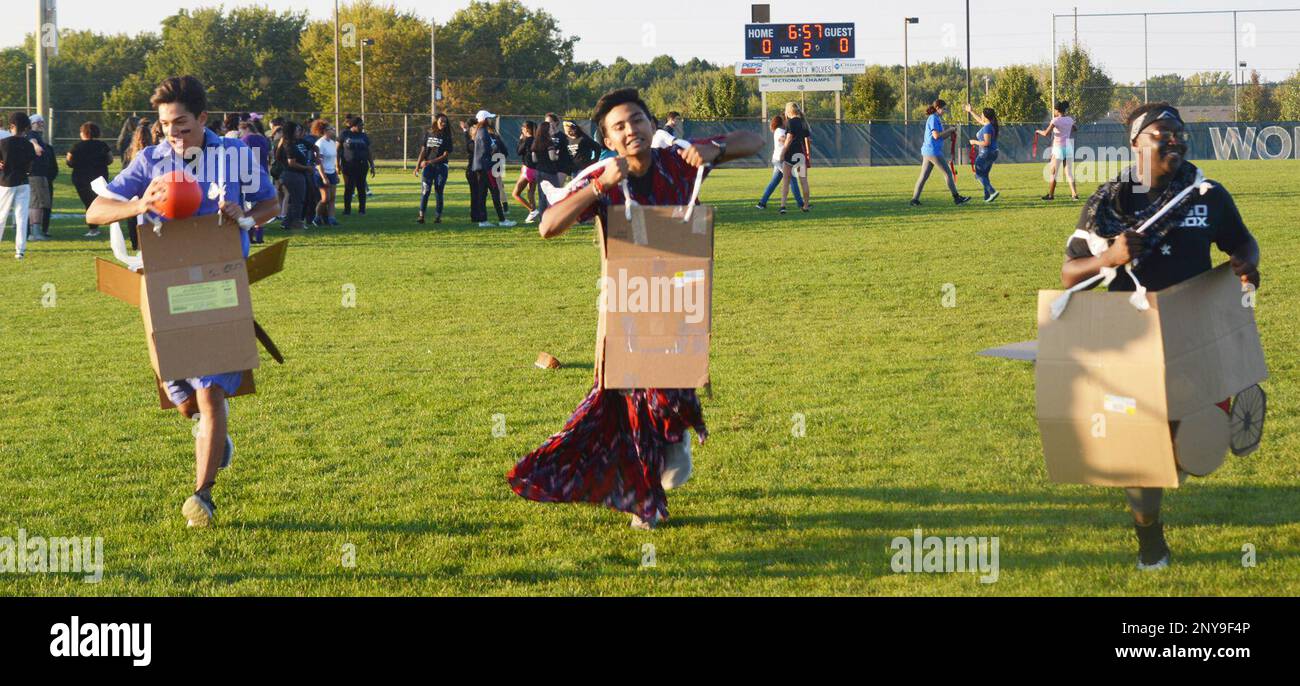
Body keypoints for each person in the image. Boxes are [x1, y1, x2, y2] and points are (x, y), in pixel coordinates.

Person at [509, 88, 762, 530]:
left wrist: (714, 148)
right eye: (620, 127)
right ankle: (645, 500)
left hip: (679, 304)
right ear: (608, 139)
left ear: (652, 123)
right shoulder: (600, 173)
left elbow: (755, 141)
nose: (632, 131)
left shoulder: (679, 157)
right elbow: (548, 226)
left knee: (666, 396)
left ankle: (673, 436)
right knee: (623, 410)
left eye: (638, 120)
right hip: (627, 306)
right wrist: (599, 186)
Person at [1061, 103, 1260, 570]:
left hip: (1195, 336)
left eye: (1179, 132)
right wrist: (1108, 257)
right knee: (1140, 453)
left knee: (1181, 454)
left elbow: (1242, 242)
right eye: (1161, 134)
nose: (1175, 140)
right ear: (1135, 142)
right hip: (1129, 340)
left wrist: (1246, 264)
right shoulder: (1110, 201)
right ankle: (1150, 540)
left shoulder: (1206, 193)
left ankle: (1184, 455)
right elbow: (1070, 274)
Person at [85, 76, 279, 528]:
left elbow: (270, 203)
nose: (173, 134)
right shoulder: (149, 160)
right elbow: (96, 212)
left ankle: (202, 495)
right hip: (162, 288)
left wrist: (245, 216)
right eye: (165, 125)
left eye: (182, 125)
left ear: (204, 119)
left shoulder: (235, 156)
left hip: (218, 281)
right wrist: (138, 205)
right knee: (184, 398)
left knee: (210, 390)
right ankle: (213, 433)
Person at [910, 99, 972, 207]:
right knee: (948, 174)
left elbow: (941, 137)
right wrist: (950, 130)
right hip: (933, 152)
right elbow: (936, 136)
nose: (945, 111)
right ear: (937, 108)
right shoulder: (933, 118)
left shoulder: (936, 118)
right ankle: (957, 198)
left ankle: (914, 200)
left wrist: (950, 132)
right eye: (944, 109)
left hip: (928, 151)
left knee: (923, 176)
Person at [65, 122, 114, 238]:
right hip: (99, 177)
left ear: (83, 133)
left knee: (88, 202)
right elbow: (110, 159)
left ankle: (93, 228)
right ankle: (101, 223)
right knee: (97, 201)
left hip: (81, 178)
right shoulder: (102, 145)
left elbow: (69, 161)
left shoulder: (76, 146)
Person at [0, 112, 37, 259]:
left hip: (6, 182)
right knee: (21, 217)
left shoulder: (3, 143)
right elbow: (30, 165)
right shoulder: (28, 145)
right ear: (26, 127)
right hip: (24, 182)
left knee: (2, 215)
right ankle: (19, 251)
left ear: (12, 125)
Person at [469, 110, 514, 228]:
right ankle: (502, 220)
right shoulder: (483, 132)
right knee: (495, 192)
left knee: (482, 194)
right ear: (484, 120)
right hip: (486, 167)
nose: (491, 120)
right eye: (489, 118)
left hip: (480, 167)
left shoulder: (478, 131)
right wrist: (493, 149)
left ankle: (483, 221)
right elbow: (486, 151)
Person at [756, 113, 803, 211]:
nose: (787, 122)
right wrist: (793, 139)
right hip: (780, 160)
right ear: (782, 122)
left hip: (778, 159)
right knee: (793, 180)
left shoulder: (780, 130)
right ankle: (801, 204)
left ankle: (762, 203)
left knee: (774, 182)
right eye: (786, 120)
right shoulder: (780, 130)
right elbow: (782, 139)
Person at [1037, 100, 1079, 201]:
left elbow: (1046, 133)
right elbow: (1075, 128)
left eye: (1054, 110)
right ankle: (1074, 194)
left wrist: (1038, 131)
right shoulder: (1069, 119)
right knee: (1068, 172)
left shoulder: (1055, 120)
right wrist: (1067, 129)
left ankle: (1050, 195)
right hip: (1068, 147)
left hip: (1058, 148)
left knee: (1054, 173)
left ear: (1057, 110)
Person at [414, 114, 452, 225]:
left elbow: (445, 155)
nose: (443, 124)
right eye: (441, 121)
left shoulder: (447, 136)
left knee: (439, 192)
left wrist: (429, 162)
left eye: (445, 122)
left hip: (441, 168)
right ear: (436, 121)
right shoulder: (428, 133)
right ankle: (421, 216)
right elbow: (423, 151)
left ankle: (438, 217)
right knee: (425, 191)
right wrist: (417, 166)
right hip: (428, 168)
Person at [238, 119, 271, 243]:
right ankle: (259, 236)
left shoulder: (246, 140)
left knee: (249, 208)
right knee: (260, 207)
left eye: (241, 131)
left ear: (246, 129)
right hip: (262, 174)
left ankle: (250, 237)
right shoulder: (263, 139)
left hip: (249, 176)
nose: (240, 134)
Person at [274, 121, 311, 230]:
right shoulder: (289, 144)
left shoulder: (287, 143)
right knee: (297, 200)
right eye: (297, 130)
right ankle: (295, 222)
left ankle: (286, 223)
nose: (299, 132)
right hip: (293, 175)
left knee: (295, 200)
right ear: (292, 131)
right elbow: (292, 163)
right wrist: (307, 168)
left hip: (290, 175)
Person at [25, 114, 55, 241]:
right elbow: (32, 141)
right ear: (31, 124)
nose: (41, 124)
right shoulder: (32, 134)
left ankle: (38, 231)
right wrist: (36, 146)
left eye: (42, 122)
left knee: (41, 203)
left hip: (40, 174)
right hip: (35, 174)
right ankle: (34, 233)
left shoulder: (38, 135)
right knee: (36, 203)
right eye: (38, 122)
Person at [780, 102, 814, 213]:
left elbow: (789, 139)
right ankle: (805, 206)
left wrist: (782, 152)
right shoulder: (804, 122)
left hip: (790, 154)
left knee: (786, 181)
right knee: (804, 181)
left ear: (788, 111)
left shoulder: (790, 122)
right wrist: (808, 154)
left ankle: (783, 206)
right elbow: (807, 140)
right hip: (800, 155)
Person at [964, 103, 1001, 203]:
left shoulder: (987, 127)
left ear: (985, 116)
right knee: (984, 174)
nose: (981, 116)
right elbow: (979, 120)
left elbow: (986, 143)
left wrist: (974, 142)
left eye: (982, 114)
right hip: (992, 153)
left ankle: (992, 191)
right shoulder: (989, 125)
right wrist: (971, 111)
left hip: (986, 153)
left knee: (979, 174)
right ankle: (987, 197)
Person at [340, 117, 374, 215]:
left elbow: (368, 151)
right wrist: (337, 164)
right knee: (349, 188)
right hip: (348, 165)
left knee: (361, 187)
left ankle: (362, 210)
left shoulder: (364, 136)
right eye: (360, 125)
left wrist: (372, 164)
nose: (362, 127)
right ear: (354, 125)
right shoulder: (345, 134)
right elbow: (338, 149)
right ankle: (347, 210)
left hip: (362, 165)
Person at [313, 120, 340, 227]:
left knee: (332, 197)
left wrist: (336, 173)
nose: (333, 130)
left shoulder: (332, 143)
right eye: (331, 129)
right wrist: (324, 177)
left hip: (332, 172)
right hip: (321, 173)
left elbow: (333, 159)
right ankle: (317, 217)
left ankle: (331, 219)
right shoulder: (320, 143)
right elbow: (319, 162)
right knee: (325, 198)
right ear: (324, 131)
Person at [513, 120, 538, 223]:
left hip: (528, 170)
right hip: (536, 170)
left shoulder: (527, 140)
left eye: (522, 128)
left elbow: (519, 152)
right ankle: (533, 216)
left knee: (515, 194)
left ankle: (533, 210)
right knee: (530, 193)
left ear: (526, 129)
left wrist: (521, 140)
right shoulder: (536, 140)